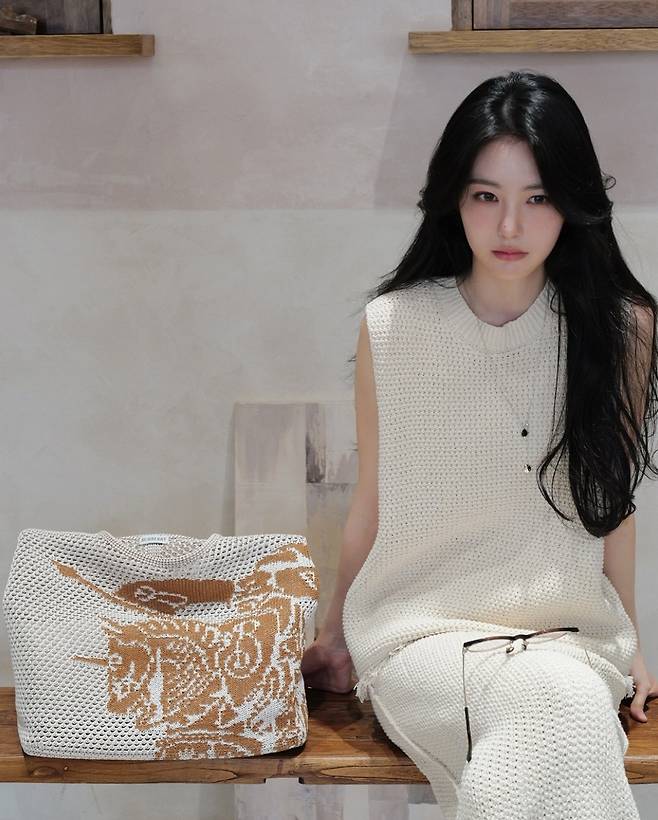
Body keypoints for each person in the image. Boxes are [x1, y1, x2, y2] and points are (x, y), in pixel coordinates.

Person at [301, 70, 658, 819]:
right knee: (550, 708)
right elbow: (374, 499)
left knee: (552, 698)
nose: (510, 228)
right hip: (420, 638)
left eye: (538, 198)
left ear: (572, 203)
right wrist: (335, 636)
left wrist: (632, 642)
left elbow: (610, 503)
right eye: (486, 197)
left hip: (569, 639)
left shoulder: (620, 329)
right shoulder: (394, 327)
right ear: (453, 200)